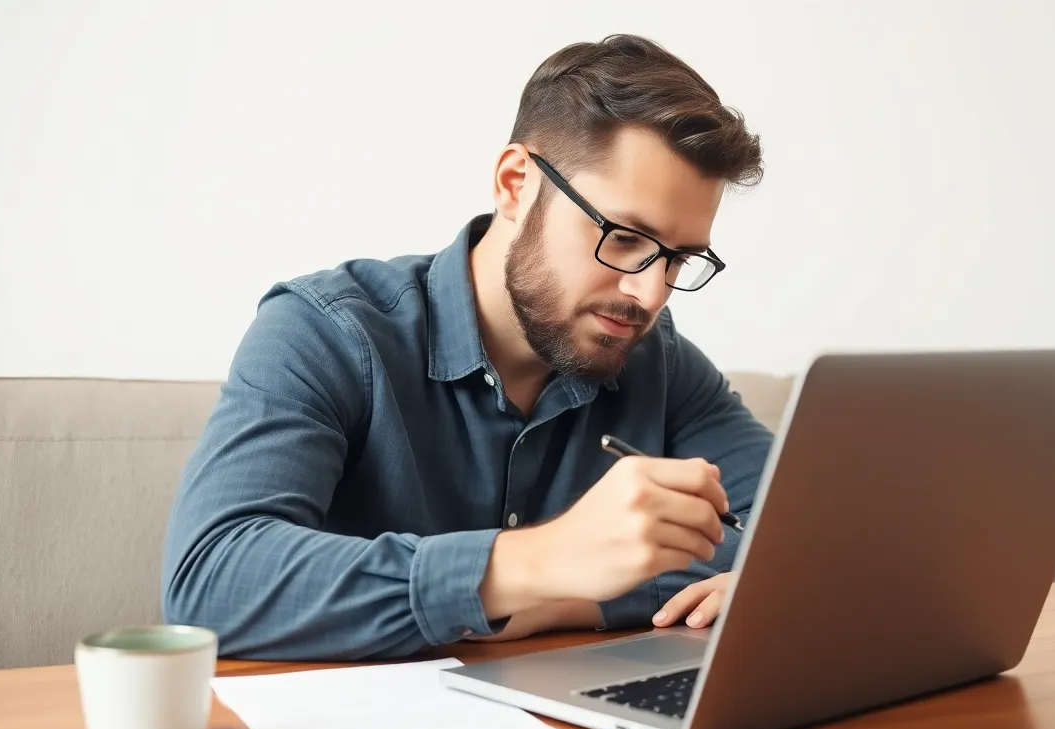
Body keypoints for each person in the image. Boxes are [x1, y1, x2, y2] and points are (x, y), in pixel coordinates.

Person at [161, 34, 773, 660]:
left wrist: (569, 602)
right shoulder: (326, 332)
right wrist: (532, 564)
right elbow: (210, 579)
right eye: (622, 237)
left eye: (680, 258)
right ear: (516, 184)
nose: (649, 295)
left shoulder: (658, 362)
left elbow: (805, 538)